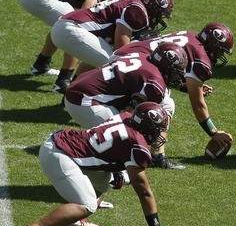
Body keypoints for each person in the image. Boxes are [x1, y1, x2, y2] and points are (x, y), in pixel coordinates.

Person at [19, 102, 173, 226]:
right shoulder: (136, 143)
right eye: (157, 129)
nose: (159, 134)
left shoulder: (126, 117)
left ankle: (70, 219)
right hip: (60, 154)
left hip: (62, 143)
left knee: (105, 181)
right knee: (88, 205)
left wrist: (116, 171)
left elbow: (111, 150)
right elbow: (144, 192)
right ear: (146, 127)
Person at [64, 41, 188, 172]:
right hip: (85, 101)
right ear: (165, 67)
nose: (176, 77)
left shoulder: (143, 56)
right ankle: (72, 153)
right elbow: (129, 112)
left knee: (167, 104)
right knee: (124, 134)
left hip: (81, 89)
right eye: (174, 72)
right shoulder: (154, 81)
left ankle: (157, 156)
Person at [19, 0, 134, 77]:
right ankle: (64, 78)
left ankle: (41, 64)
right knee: (74, 27)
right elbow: (84, 14)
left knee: (62, 23)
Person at [141, 23, 235, 166]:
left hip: (133, 56)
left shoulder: (190, 35)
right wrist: (214, 133)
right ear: (213, 46)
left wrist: (189, 87)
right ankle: (157, 156)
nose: (220, 55)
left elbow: (168, 70)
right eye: (221, 51)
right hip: (141, 67)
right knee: (166, 104)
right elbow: (198, 105)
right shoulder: (202, 60)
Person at [50, 0, 174, 94]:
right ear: (153, 8)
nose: (159, 20)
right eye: (160, 15)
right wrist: (137, 41)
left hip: (65, 27)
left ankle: (71, 93)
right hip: (72, 30)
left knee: (98, 59)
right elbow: (121, 49)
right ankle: (94, 100)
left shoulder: (133, 3)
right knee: (119, 65)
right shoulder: (138, 10)